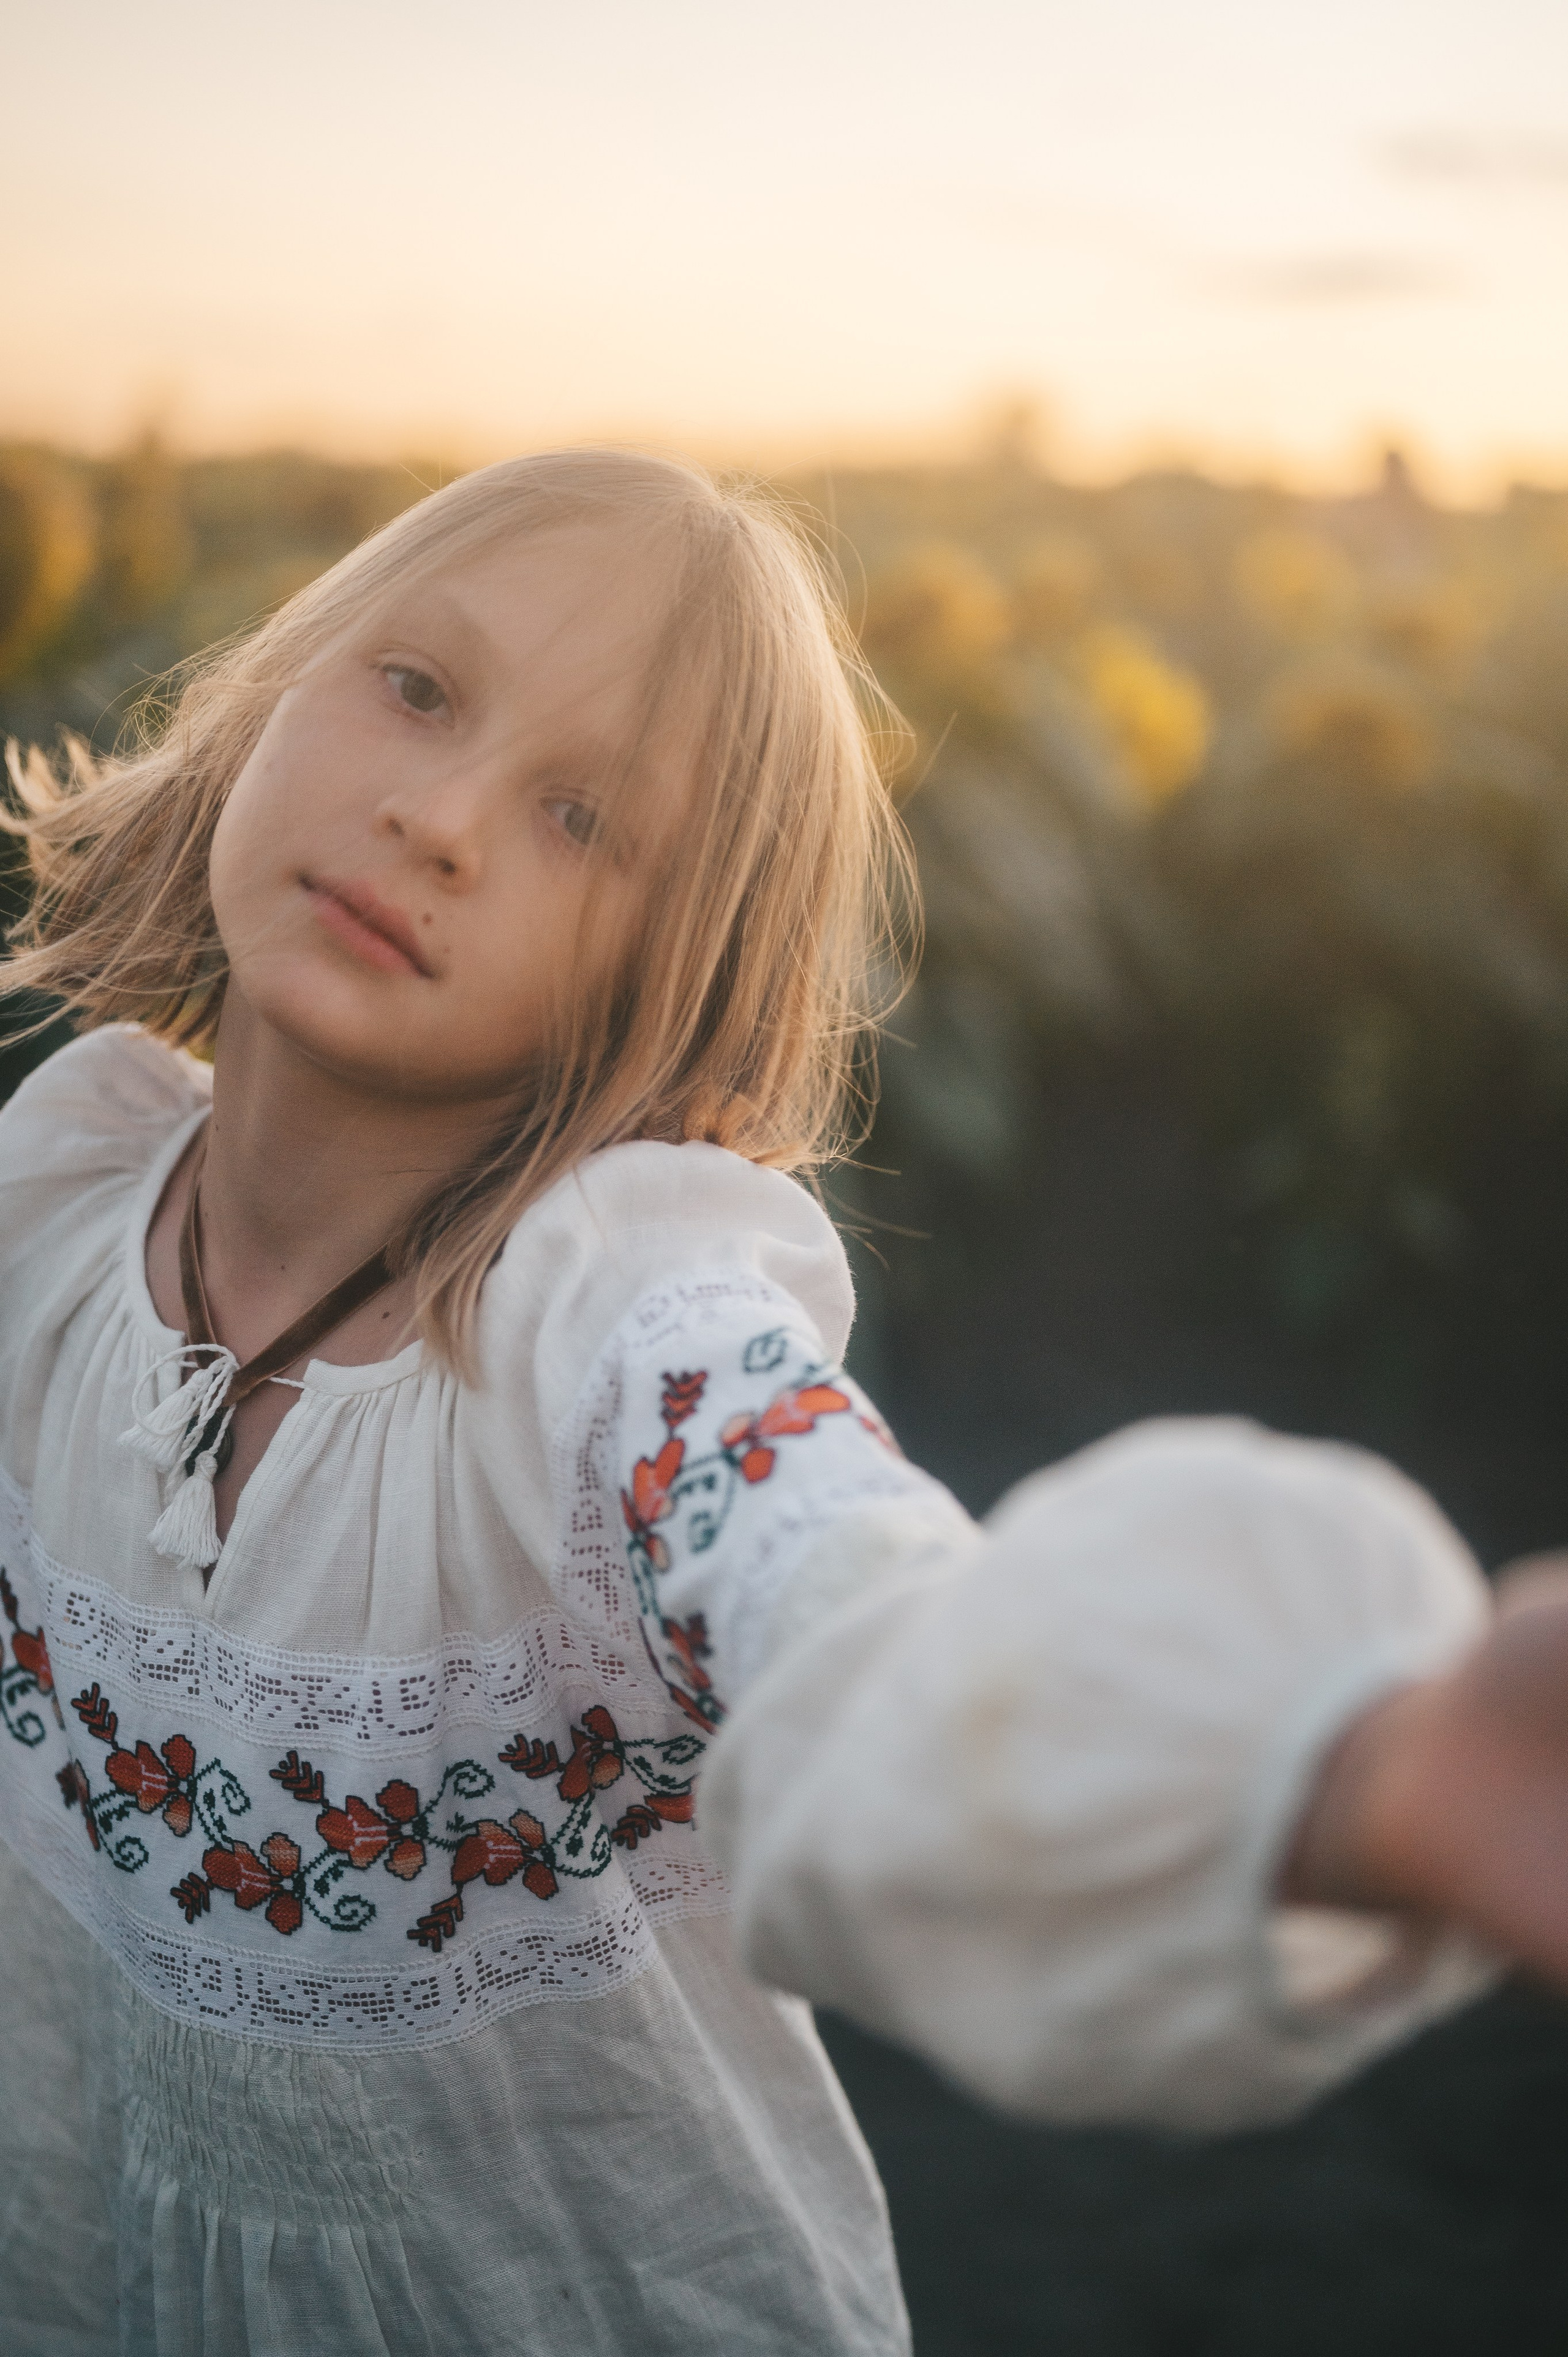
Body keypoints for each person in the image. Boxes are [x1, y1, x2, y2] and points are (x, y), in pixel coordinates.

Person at [0, 449, 1562, 2357]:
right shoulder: (56, 1209)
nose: (443, 817)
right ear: (269, 687)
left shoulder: (606, 1326)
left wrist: (1350, 1770)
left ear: (670, 974)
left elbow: (845, 1596)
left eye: (583, 816)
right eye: (416, 688)